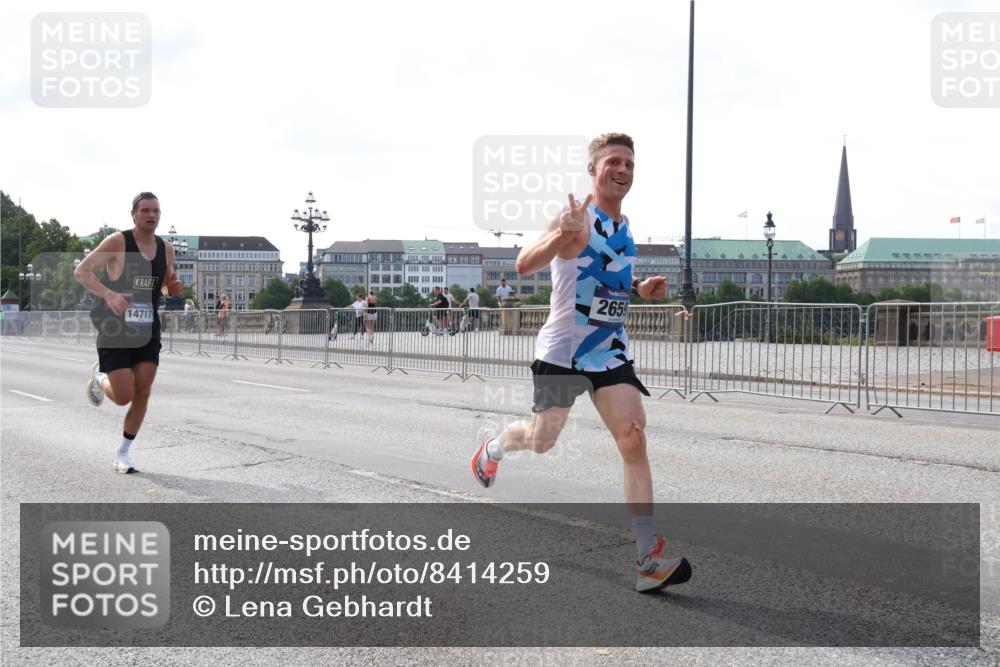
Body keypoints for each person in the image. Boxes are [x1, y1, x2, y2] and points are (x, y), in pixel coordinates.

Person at [468, 133, 691, 593]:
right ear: (594, 170)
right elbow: (524, 265)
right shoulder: (575, 217)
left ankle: (647, 560)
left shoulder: (626, 227)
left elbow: (609, 278)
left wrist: (640, 289)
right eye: (613, 162)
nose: (623, 170)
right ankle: (492, 448)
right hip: (563, 352)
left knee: (634, 437)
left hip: (607, 351)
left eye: (629, 163)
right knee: (541, 439)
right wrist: (560, 234)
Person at [75, 191, 183, 474]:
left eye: (156, 210)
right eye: (145, 210)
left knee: (143, 391)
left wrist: (171, 288)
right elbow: (82, 272)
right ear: (134, 214)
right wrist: (109, 294)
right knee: (123, 396)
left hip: (147, 328)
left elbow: (163, 283)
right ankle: (100, 378)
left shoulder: (166, 249)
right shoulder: (118, 242)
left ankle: (123, 453)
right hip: (115, 328)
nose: (152, 215)